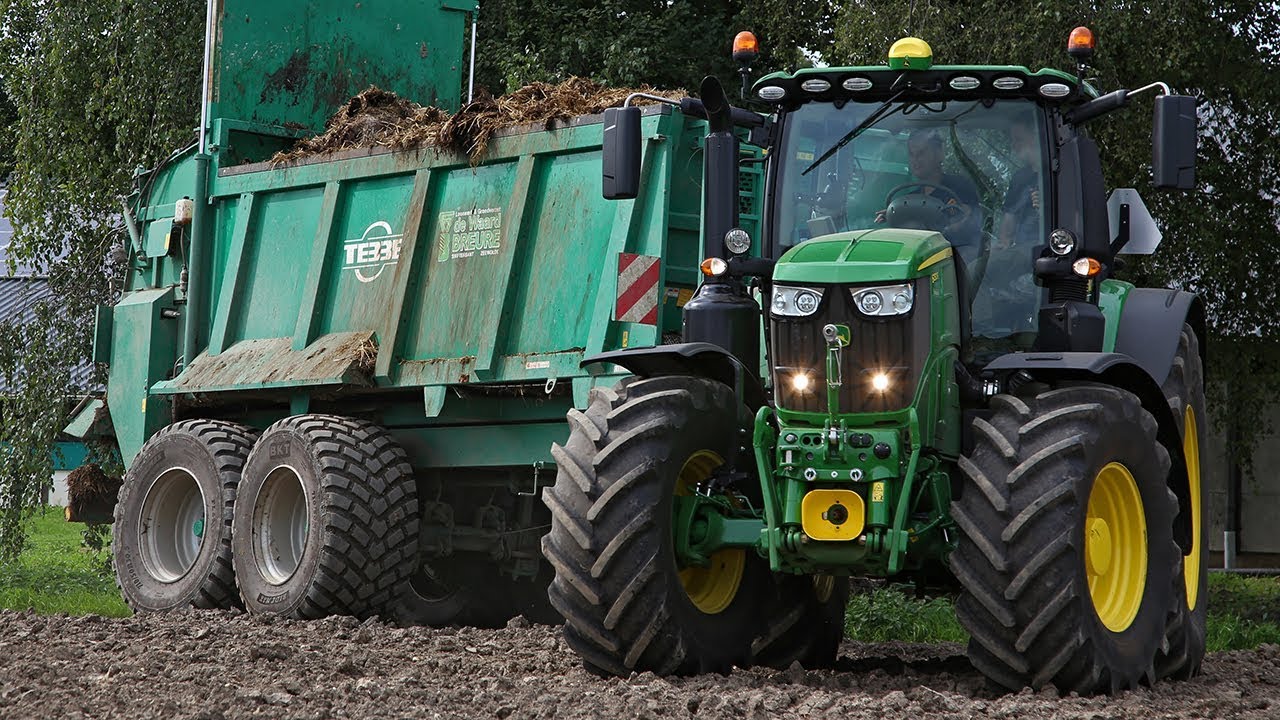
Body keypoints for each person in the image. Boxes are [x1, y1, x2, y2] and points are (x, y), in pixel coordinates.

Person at [877, 130, 982, 259]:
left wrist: (948, 226)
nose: (915, 160)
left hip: (956, 257)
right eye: (911, 154)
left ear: (939, 153)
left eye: (921, 153)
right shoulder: (911, 198)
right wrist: (895, 215)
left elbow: (969, 219)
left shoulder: (960, 187)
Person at [996, 121, 1042, 251]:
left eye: (1019, 140)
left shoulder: (1060, 173)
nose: (1014, 146)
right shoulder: (1019, 179)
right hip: (1020, 248)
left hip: (1047, 246)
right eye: (1012, 140)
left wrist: (1045, 207)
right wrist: (1003, 243)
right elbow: (1009, 218)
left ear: (1036, 137)